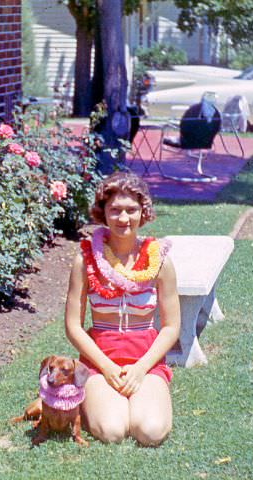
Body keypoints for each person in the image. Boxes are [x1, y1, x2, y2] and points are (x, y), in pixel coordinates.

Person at [64, 171, 180, 446]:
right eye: (114, 210)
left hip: (145, 360)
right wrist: (105, 367)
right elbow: (73, 326)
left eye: (131, 210)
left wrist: (140, 369)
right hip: (100, 359)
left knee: (150, 432)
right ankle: (100, 397)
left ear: (144, 212)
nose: (123, 219)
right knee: (112, 431)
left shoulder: (159, 262)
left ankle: (142, 397)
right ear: (102, 212)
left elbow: (171, 327)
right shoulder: (85, 261)